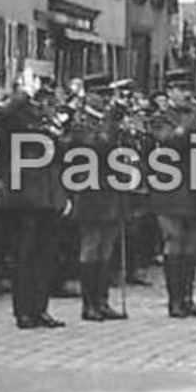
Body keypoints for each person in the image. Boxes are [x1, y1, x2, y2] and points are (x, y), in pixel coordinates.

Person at [0, 58, 67, 329]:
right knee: (24, 255)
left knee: (45, 255)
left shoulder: (45, 115)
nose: (43, 93)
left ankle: (40, 308)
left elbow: (60, 153)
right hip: (24, 193)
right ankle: (23, 311)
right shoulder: (17, 113)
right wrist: (23, 93)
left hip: (47, 193)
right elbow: (1, 116)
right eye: (38, 85)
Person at [146, 68, 196, 318]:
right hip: (170, 190)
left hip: (195, 189)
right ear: (170, 91)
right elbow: (171, 142)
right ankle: (175, 301)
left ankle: (188, 298)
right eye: (181, 89)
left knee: (191, 246)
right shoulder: (160, 118)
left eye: (189, 89)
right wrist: (192, 119)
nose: (187, 94)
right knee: (174, 242)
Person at [62, 75, 129, 321]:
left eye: (106, 95)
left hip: (111, 187)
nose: (104, 100)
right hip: (89, 188)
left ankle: (102, 300)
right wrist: (112, 121)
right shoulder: (81, 121)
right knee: (91, 245)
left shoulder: (108, 121)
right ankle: (89, 303)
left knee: (107, 246)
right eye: (100, 95)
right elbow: (98, 146)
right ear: (89, 95)